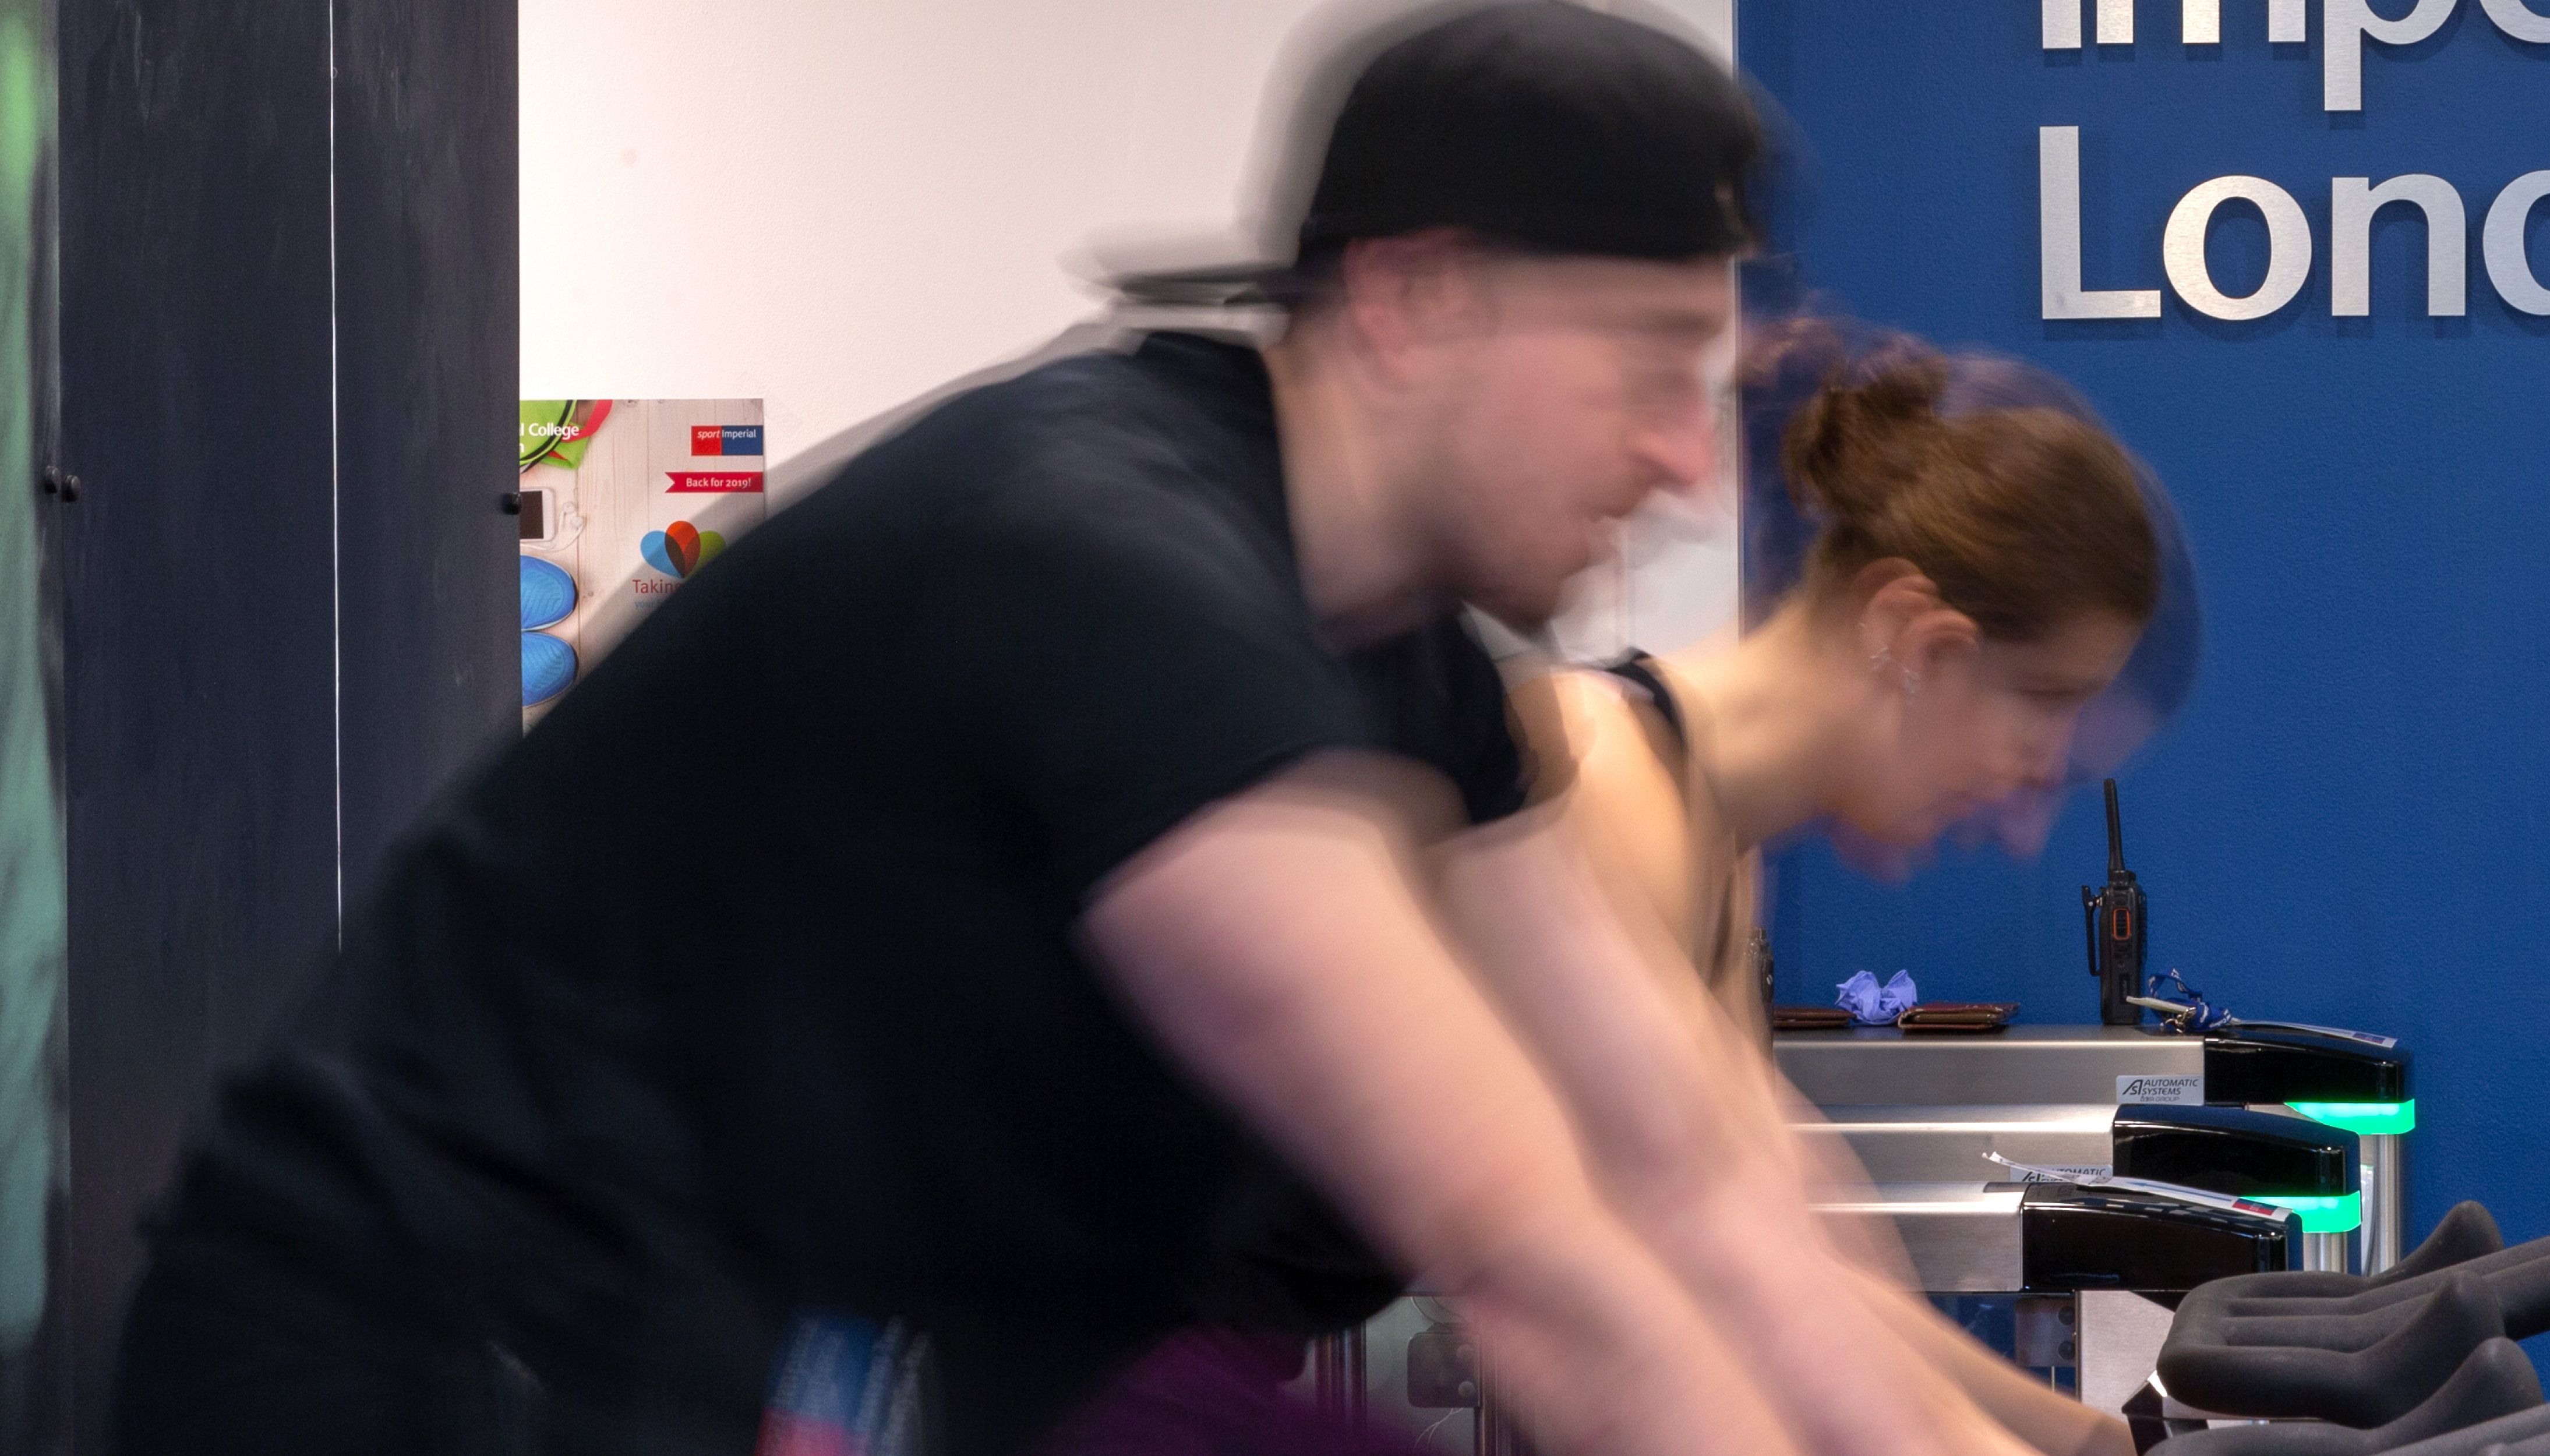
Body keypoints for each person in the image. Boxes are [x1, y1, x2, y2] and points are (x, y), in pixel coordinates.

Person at [110, 9, 2043, 1456]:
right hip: (417, 1361)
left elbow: (1696, 1182)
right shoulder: (1110, 568)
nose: (1677, 466)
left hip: (734, 1356)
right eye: (1641, 371)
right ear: (1413, 299)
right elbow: (1536, 1256)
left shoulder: (1411, 669)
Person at [1504, 330, 2169, 1456]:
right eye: (2042, 703)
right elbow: (1707, 1292)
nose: (2030, 792)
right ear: (1914, 636)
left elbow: (1804, 1263)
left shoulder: (1711, 835)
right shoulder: (1602, 786)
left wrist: (2094, 1443)